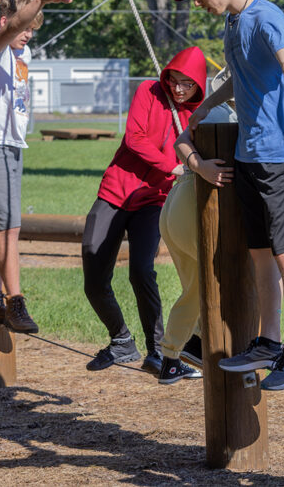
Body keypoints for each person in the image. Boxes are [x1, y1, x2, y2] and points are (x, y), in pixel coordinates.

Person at [177, 0, 284, 391]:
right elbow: (241, 77)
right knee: (260, 252)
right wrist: (204, 108)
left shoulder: (266, 15)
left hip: (283, 154)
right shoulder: (233, 23)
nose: (197, 3)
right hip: (250, 152)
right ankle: (268, 342)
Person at [82, 47, 206, 375]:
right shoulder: (148, 90)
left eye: (187, 84)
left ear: (199, 88)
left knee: (141, 270)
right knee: (93, 273)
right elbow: (134, 137)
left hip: (153, 201)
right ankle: (121, 340)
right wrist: (173, 166)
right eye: (175, 80)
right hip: (115, 192)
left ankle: (156, 351)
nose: (178, 89)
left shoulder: (196, 118)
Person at [0, 0, 73, 334]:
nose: (27, 34)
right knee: (10, 225)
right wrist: (39, 1)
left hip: (10, 145)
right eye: (25, 26)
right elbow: (11, 29)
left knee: (1, 223)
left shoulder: (21, 56)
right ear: (6, 21)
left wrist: (35, 11)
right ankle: (15, 301)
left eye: (33, 28)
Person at [158, 70, 237, 384]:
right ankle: (199, 344)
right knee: (222, 277)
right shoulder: (225, 115)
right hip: (192, 207)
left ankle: (173, 354)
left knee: (196, 288)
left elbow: (180, 142)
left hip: (176, 207)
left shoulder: (214, 109)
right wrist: (201, 166)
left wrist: (197, 165)